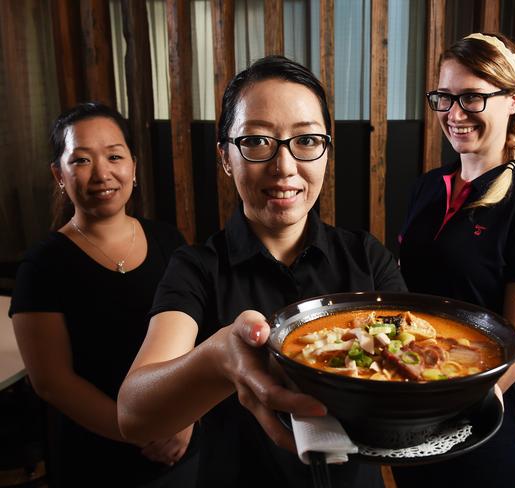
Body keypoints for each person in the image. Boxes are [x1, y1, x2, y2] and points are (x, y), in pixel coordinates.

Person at [117, 56, 406, 488]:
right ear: (225, 157)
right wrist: (217, 358)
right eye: (257, 141)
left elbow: (409, 366)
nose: (284, 167)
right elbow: (133, 414)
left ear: (326, 148)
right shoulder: (196, 268)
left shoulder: (366, 257)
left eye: (306, 140)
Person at [394, 33, 515, 487]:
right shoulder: (428, 187)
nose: (454, 115)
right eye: (444, 97)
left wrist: (450, 419)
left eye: (472, 97)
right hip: (408, 406)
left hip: (475, 436)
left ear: (514, 99)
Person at [10, 103, 199, 487]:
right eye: (81, 160)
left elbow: (196, 342)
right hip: (98, 456)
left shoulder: (169, 241)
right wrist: (138, 430)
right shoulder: (41, 266)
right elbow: (53, 382)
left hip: (181, 445)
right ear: (58, 174)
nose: (102, 174)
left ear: (133, 166)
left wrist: (186, 420)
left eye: (114, 156)